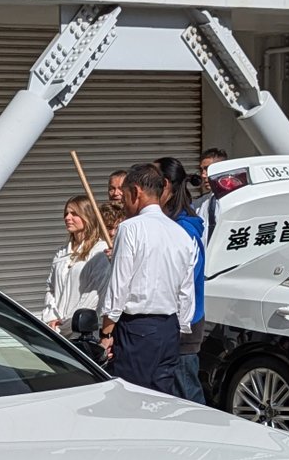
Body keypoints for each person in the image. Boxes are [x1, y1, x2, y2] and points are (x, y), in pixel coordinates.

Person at [98, 160, 198, 396]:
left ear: (136, 192)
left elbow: (119, 286)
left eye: (124, 196)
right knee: (162, 398)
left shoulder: (130, 228)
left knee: (131, 397)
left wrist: (106, 333)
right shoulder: (181, 233)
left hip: (137, 329)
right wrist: (180, 326)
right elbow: (186, 290)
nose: (123, 203)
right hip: (169, 329)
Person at [156, 155, 207, 403]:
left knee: (187, 393)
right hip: (169, 322)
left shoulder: (184, 229)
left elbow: (185, 278)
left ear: (165, 185)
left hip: (184, 324)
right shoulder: (168, 225)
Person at [43, 196, 111, 332]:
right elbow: (50, 288)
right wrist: (51, 318)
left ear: (88, 216)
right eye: (66, 214)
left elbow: (94, 296)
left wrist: (68, 324)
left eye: (74, 214)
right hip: (55, 329)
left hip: (82, 330)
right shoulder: (61, 252)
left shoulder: (99, 251)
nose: (67, 218)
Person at [195, 147, 228, 241]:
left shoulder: (232, 200)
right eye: (202, 170)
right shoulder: (200, 203)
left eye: (208, 169)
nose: (203, 175)